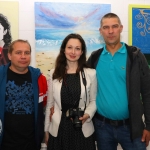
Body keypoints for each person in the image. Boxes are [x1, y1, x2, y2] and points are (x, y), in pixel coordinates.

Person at [87, 12, 150, 150]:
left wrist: (149, 126)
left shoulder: (136, 56)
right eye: (106, 27)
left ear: (121, 28)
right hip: (102, 127)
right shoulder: (94, 58)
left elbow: (147, 93)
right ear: (101, 31)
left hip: (132, 127)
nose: (110, 31)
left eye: (114, 26)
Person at [44, 33, 97, 150]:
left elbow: (94, 101)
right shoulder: (54, 73)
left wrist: (87, 115)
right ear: (64, 50)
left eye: (77, 48)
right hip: (59, 128)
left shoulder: (91, 73)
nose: (73, 52)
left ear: (82, 52)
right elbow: (50, 104)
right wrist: (46, 130)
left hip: (82, 127)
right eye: (69, 47)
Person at [0, 39, 47, 150]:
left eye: (27, 53)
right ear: (10, 55)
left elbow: (44, 106)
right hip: (5, 143)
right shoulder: (1, 76)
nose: (23, 56)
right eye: (18, 52)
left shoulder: (39, 78)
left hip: (31, 143)